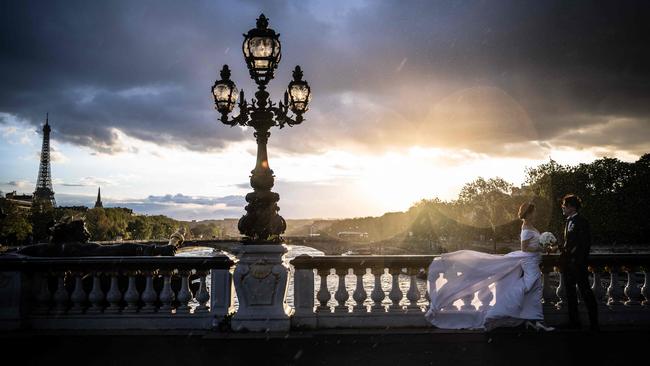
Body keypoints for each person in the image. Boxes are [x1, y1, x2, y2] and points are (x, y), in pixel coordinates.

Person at [424, 202, 553, 331]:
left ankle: (534, 320)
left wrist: (542, 247)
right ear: (529, 213)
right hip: (530, 262)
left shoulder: (530, 226)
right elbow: (524, 248)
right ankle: (510, 311)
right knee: (531, 287)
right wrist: (541, 247)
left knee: (535, 290)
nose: (535, 214)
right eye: (534, 211)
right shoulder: (526, 228)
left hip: (534, 261)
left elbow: (531, 246)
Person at [555, 194, 599, 331]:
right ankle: (574, 323)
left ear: (571, 207)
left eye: (564, 205)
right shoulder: (568, 221)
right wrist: (558, 247)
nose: (562, 207)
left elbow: (585, 244)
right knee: (570, 294)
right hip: (568, 265)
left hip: (578, 265)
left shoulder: (582, 221)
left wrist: (577, 261)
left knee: (586, 292)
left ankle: (594, 324)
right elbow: (569, 244)